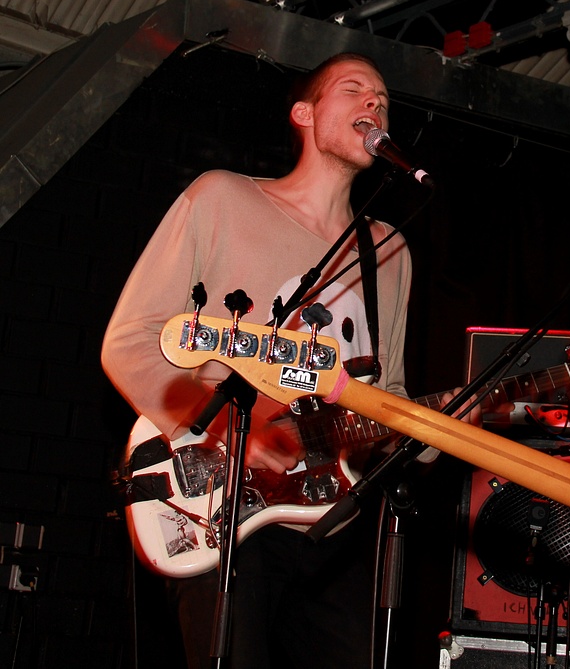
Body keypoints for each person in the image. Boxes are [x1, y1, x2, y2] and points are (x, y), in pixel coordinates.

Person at [103, 52, 414, 668]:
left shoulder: (387, 250)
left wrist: (453, 422)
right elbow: (130, 340)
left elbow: (391, 396)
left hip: (332, 525)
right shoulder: (222, 198)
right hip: (220, 507)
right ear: (304, 114)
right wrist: (226, 428)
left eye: (382, 97)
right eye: (353, 89)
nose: (374, 103)